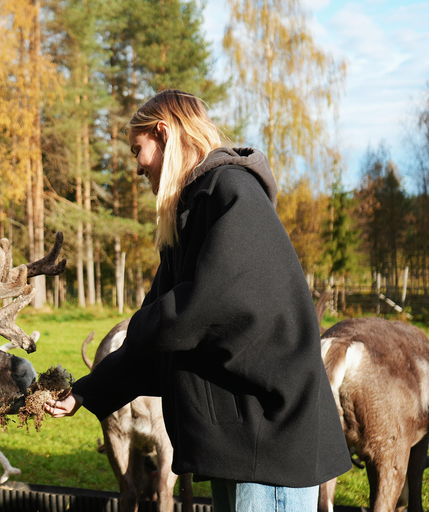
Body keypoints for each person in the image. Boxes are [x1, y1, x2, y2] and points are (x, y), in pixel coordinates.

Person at [45, 90, 351, 512]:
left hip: (268, 438)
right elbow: (160, 337)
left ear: (164, 133)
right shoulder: (190, 215)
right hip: (240, 440)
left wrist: (139, 326)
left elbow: (200, 309)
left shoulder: (230, 193)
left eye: (138, 150)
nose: (137, 167)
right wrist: (86, 392)